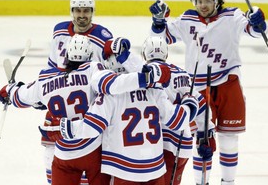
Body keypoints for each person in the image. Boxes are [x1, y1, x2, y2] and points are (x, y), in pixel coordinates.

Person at [0, 35, 170, 185]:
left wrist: (10, 91)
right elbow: (112, 84)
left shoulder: (45, 79)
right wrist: (146, 77)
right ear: (88, 55)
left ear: (66, 56)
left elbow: (22, 97)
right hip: (92, 150)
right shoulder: (93, 69)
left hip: (64, 154)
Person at [149, 0, 268, 185]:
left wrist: (258, 21)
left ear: (216, 1)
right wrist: (158, 21)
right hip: (198, 88)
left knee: (229, 141)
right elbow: (162, 37)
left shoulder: (232, 16)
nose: (203, 5)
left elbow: (255, 31)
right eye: (199, 1)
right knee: (202, 142)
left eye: (207, 1)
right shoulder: (187, 19)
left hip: (228, 82)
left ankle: (227, 183)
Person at [39, 45, 200, 185]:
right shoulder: (153, 89)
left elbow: (91, 127)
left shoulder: (109, 96)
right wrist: (189, 104)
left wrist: (66, 128)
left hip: (123, 168)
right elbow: (177, 121)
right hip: (155, 168)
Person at [42, 0, 115, 184]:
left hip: (89, 105)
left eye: (86, 11)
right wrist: (45, 94)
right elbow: (51, 66)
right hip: (60, 97)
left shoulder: (102, 37)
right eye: (78, 10)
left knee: (88, 152)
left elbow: (109, 74)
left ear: (92, 12)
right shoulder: (59, 31)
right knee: (53, 150)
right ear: (71, 11)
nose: (82, 15)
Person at [141, 36, 216, 185]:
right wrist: (205, 137)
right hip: (179, 144)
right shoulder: (183, 75)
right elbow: (200, 105)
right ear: (166, 54)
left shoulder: (139, 76)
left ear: (143, 54)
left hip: (149, 144)